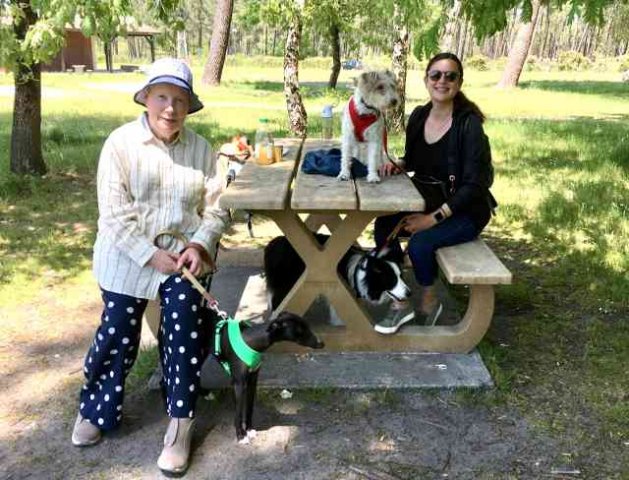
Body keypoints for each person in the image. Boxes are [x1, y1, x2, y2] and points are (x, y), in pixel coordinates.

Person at [70, 58, 230, 475]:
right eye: (162, 96)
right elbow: (113, 216)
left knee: (183, 327)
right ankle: (95, 410)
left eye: (180, 99)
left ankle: (180, 422)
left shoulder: (201, 149)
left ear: (189, 105)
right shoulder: (120, 144)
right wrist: (149, 255)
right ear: (145, 98)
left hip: (181, 262)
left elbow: (215, 210)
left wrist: (200, 243)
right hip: (126, 258)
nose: (170, 108)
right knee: (118, 329)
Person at [373, 52, 495, 334]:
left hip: (466, 210)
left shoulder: (468, 125)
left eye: (450, 76)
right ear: (426, 80)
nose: (443, 81)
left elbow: (474, 186)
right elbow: (415, 159)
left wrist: (432, 219)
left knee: (420, 244)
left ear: (459, 83)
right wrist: (400, 164)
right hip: (429, 199)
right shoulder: (419, 116)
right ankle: (399, 300)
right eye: (436, 75)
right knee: (384, 226)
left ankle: (429, 300)